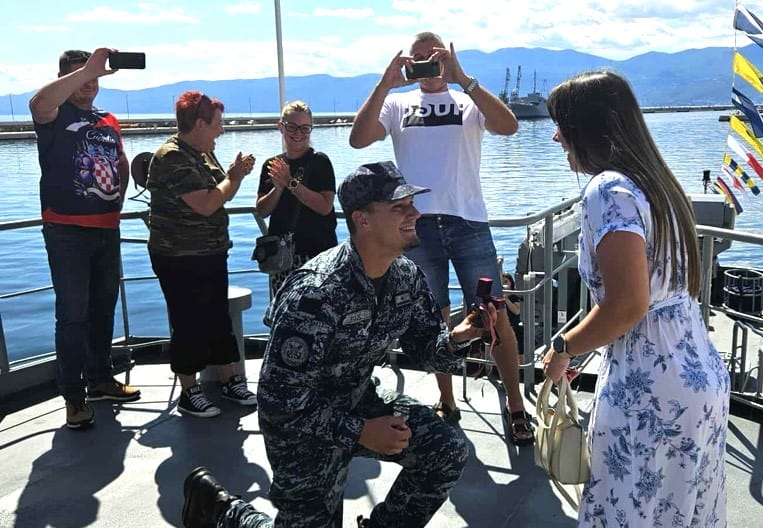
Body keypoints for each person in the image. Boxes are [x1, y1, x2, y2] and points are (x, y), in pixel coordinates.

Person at [180, 161, 489, 528]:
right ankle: (218, 511)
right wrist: (359, 431)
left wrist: (460, 337)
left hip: (359, 401)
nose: (414, 213)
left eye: (412, 204)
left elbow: (424, 346)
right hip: (302, 431)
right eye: (399, 207)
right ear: (362, 219)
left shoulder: (404, 275)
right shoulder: (317, 291)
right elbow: (278, 402)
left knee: (445, 450)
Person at [541, 71, 745, 528]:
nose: (556, 136)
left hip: (650, 393)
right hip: (696, 373)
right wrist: (586, 339)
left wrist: (564, 346)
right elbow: (649, 298)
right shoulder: (657, 184)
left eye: (562, 125)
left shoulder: (607, 189)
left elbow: (628, 304)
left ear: (587, 128)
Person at [348, 32, 534, 445]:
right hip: (417, 226)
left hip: (468, 220)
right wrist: (384, 84)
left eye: (433, 58)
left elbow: (510, 126)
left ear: (447, 57)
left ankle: (516, 405)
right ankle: (447, 401)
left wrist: (462, 78)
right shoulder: (396, 104)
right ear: (407, 63)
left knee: (495, 315)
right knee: (436, 320)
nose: (426, 66)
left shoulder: (469, 100)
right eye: (418, 59)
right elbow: (358, 139)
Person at [30, 48, 141, 430]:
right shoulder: (55, 115)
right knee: (72, 315)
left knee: (103, 309)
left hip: (106, 229)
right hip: (67, 233)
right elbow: (39, 101)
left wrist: (117, 202)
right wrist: (85, 70)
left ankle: (99, 378)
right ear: (66, 78)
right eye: (81, 75)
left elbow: (120, 164)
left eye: (95, 75)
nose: (90, 81)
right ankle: (73, 397)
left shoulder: (107, 119)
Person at [146, 91, 258, 418]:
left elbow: (217, 194)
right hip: (178, 256)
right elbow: (208, 203)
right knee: (188, 321)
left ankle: (228, 379)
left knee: (217, 317)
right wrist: (234, 177)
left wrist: (232, 176)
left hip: (209, 252)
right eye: (217, 124)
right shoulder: (172, 156)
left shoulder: (203, 153)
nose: (221, 131)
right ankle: (189, 390)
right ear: (199, 123)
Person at [255, 100, 337, 297]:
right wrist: (278, 188)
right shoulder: (271, 165)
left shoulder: (320, 162)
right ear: (281, 127)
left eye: (305, 128)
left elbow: (325, 206)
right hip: (282, 257)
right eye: (292, 127)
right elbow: (262, 210)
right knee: (284, 315)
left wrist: (291, 182)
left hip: (318, 255)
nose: (298, 133)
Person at [501, 271, 525, 365]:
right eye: (502, 282)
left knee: (519, 349)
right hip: (505, 325)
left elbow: (516, 310)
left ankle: (521, 368)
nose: (504, 284)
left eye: (506, 282)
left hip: (516, 326)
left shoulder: (514, 296)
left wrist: (506, 299)